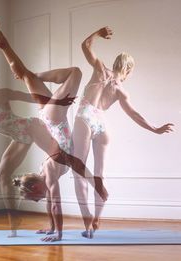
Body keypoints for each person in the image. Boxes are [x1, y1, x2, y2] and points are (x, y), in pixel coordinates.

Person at [0, 20, 108, 241]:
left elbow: (56, 206)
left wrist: (59, 234)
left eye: (35, 197)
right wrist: (51, 228)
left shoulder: (50, 172)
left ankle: (35, 72)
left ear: (36, 186)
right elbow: (51, 207)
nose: (39, 200)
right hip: (49, 116)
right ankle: (2, 44)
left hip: (55, 118)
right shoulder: (45, 172)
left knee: (76, 72)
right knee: (25, 75)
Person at [71, 26, 174, 238]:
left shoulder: (99, 69)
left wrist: (98, 33)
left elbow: (85, 45)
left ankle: (88, 223)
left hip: (85, 117)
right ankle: (98, 216)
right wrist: (155, 129)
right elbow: (135, 115)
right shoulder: (121, 90)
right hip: (102, 123)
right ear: (128, 70)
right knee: (100, 174)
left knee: (79, 171)